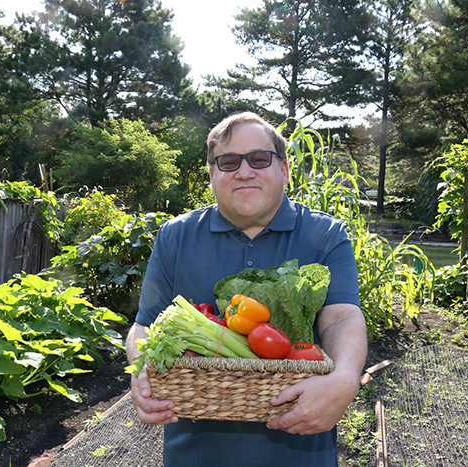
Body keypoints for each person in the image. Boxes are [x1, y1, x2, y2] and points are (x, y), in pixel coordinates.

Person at [126, 111, 367, 466]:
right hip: (196, 453)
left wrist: (346, 380)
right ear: (211, 176)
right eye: (228, 162)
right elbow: (145, 325)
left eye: (259, 159)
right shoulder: (175, 236)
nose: (244, 171)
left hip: (300, 446)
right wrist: (141, 369)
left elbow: (341, 317)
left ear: (283, 170)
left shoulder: (325, 234)